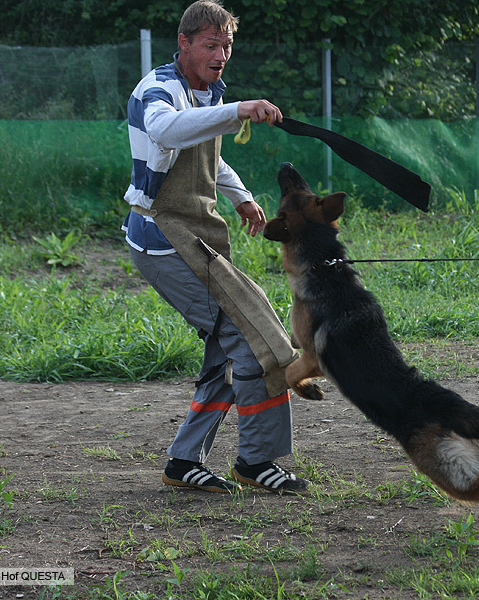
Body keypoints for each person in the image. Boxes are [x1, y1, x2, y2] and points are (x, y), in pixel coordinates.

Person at [122, 0, 309, 495]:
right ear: (183, 44)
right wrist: (238, 110)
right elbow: (167, 130)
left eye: (226, 44)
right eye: (211, 44)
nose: (222, 53)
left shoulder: (206, 93)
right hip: (163, 238)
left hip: (195, 234)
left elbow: (208, 156)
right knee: (249, 339)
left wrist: (241, 197)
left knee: (228, 351)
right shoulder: (158, 91)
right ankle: (256, 460)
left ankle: (184, 461)